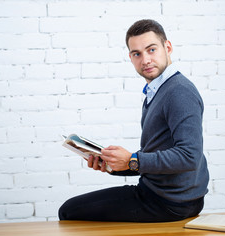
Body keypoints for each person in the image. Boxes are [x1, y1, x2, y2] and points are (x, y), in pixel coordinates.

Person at [59, 19, 209, 222]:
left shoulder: (179, 92)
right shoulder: (157, 90)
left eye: (151, 50)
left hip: (170, 202)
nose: (145, 59)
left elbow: (189, 156)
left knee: (68, 211)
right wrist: (114, 165)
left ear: (168, 47)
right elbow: (157, 158)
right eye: (137, 54)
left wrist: (132, 160)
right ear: (130, 57)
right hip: (164, 195)